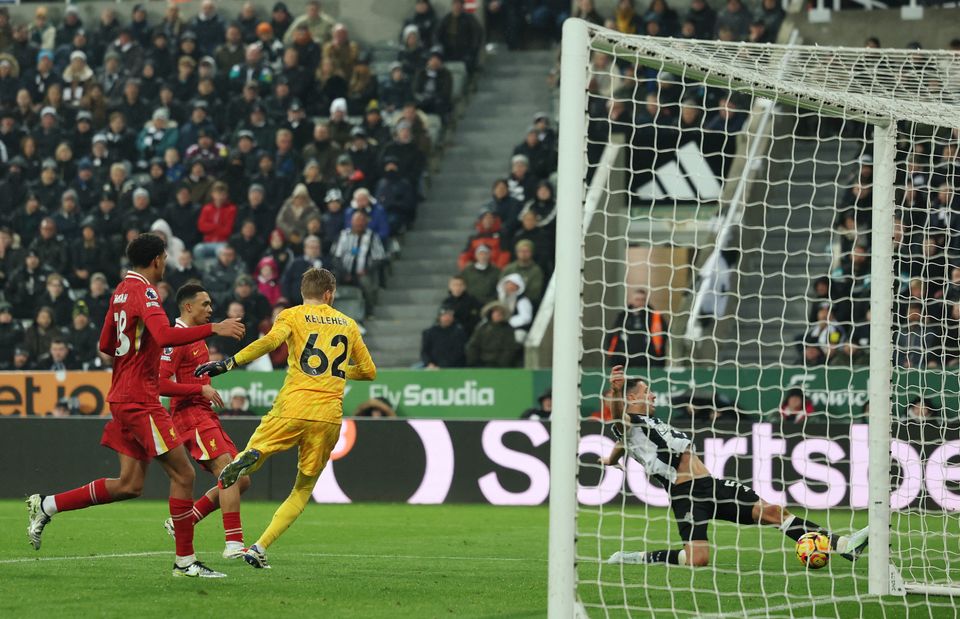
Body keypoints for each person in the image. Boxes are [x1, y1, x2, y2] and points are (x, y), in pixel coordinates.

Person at [27, 233, 245, 578]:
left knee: (129, 484)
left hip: (120, 395)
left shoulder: (119, 291)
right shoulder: (145, 292)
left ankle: (47, 505)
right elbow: (166, 335)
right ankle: (185, 562)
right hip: (140, 399)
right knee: (184, 473)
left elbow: (105, 343)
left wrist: (133, 360)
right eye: (165, 257)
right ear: (157, 259)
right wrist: (214, 328)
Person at [195, 267, 376, 569]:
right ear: (329, 294)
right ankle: (260, 546)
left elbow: (269, 343)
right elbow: (369, 371)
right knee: (302, 489)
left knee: (255, 452)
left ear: (304, 293)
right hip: (328, 415)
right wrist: (339, 369)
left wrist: (229, 362)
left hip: (292, 406)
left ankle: (252, 456)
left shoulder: (292, 315)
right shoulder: (348, 324)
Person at [601, 366, 869, 567]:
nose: (653, 396)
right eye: (646, 392)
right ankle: (636, 557)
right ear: (632, 398)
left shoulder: (644, 427)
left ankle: (844, 544)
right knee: (698, 559)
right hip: (685, 495)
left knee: (774, 512)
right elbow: (618, 420)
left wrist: (610, 460)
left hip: (711, 485)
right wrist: (615, 391)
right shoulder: (628, 423)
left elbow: (619, 447)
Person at [158, 284, 252, 560]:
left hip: (204, 413)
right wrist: (198, 389)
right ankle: (234, 544)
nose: (211, 309)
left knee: (242, 479)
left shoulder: (196, 337)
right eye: (205, 304)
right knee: (227, 472)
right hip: (189, 415)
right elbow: (159, 383)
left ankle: (182, 523)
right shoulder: (175, 338)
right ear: (188, 307)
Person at [603, 289, 669, 369]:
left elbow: (665, 338)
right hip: (625, 363)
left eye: (642, 300)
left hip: (649, 363)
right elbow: (613, 337)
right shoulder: (622, 316)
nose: (639, 302)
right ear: (631, 300)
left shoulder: (655, 317)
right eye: (637, 299)